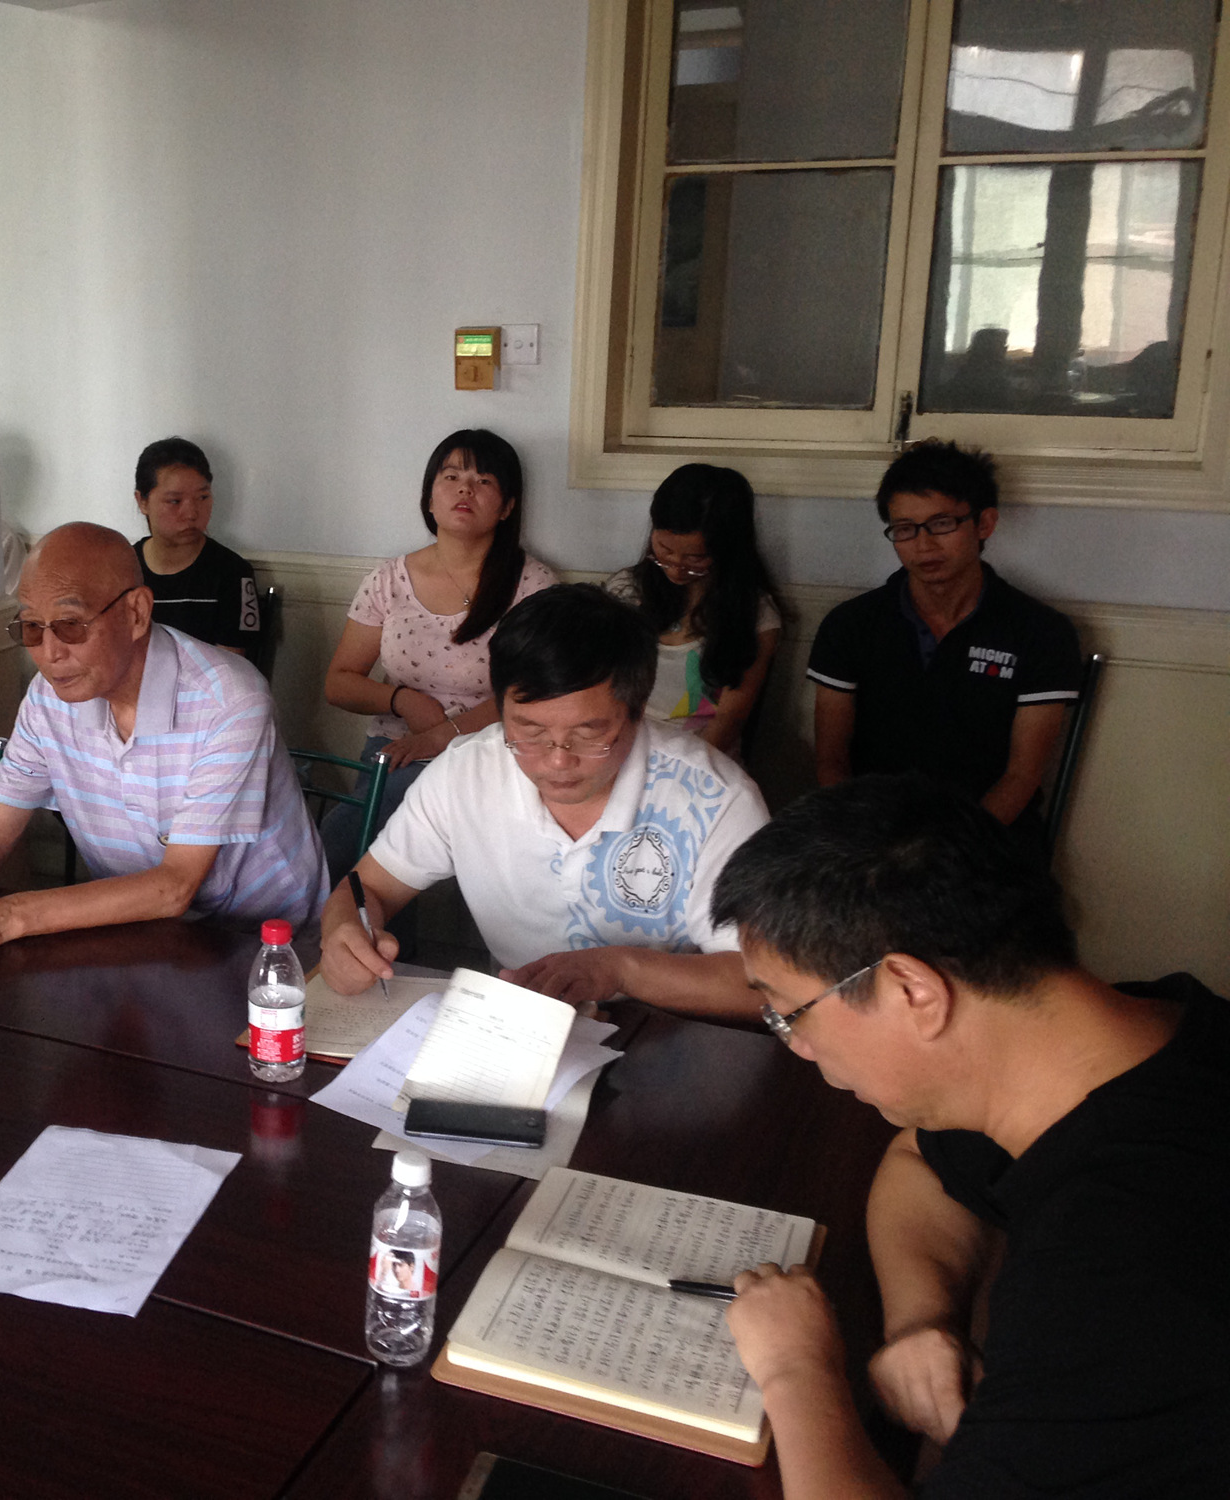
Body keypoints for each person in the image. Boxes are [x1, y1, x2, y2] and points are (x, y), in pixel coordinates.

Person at [710, 775, 1227, 1499]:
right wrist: (921, 1320)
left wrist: (796, 1370)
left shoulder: (1122, 1280)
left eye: (791, 1013)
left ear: (912, 991)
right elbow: (920, 1163)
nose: (797, 1046)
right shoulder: (1133, 1036)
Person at [0, 522, 325, 969]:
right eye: (31, 628)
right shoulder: (49, 699)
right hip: (138, 933)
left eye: (70, 624)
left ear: (137, 613)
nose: (50, 653)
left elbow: (174, 886)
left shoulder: (229, 699)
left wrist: (4, 918)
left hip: (263, 947)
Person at [319, 584, 767, 1018]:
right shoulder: (466, 773)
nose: (557, 761)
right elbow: (368, 888)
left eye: (589, 734)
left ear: (638, 709)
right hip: (519, 1029)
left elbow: (763, 984)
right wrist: (344, 932)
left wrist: (619, 970)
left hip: (669, 1034)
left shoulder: (714, 800)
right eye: (530, 732)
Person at [808, 441, 1081, 833]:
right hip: (870, 831)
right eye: (905, 529)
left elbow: (1021, 776)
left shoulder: (1040, 632)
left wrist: (947, 850)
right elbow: (831, 762)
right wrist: (866, 839)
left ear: (984, 524)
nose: (924, 545)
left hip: (986, 834)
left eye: (941, 524)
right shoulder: (850, 624)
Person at [321, 429, 557, 877]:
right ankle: (359, 909)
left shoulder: (533, 585)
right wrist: (402, 700)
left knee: (381, 810)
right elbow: (340, 682)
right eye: (451, 477)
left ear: (507, 506)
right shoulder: (389, 579)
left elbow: (535, 695)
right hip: (395, 745)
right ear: (429, 498)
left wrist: (439, 736)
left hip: (490, 750)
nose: (465, 489)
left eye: (484, 481)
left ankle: (311, 888)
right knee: (385, 804)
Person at [602, 463, 782, 759]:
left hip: (700, 757)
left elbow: (728, 722)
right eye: (665, 550)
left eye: (695, 558)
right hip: (621, 745)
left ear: (727, 550)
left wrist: (675, 771)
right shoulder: (626, 590)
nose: (675, 568)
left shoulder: (756, 616)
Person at [131, 437, 260, 654]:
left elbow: (231, 667)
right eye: (175, 501)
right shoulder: (124, 568)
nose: (191, 513)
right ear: (142, 501)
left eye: (202, 497)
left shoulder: (231, 572)